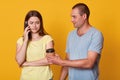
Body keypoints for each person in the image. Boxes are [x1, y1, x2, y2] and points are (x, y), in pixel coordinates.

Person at [47, 3, 104, 80]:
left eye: (74, 17)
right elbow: (67, 62)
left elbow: (89, 63)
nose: (71, 20)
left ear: (84, 16)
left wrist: (61, 62)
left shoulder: (96, 34)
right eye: (71, 17)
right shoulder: (71, 35)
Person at [16, 10, 54, 80]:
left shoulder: (47, 39)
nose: (34, 26)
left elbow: (50, 60)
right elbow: (19, 61)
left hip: (45, 78)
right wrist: (25, 40)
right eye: (31, 23)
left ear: (41, 23)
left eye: (37, 23)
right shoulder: (20, 41)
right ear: (27, 24)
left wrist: (27, 63)